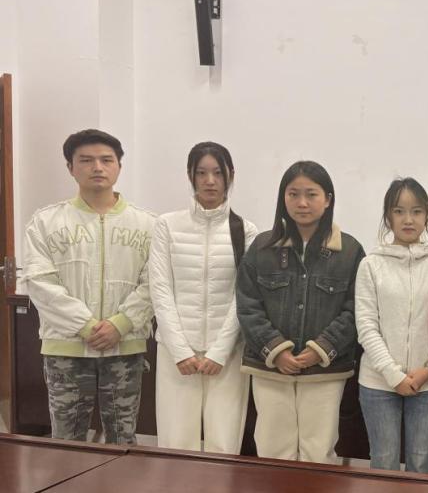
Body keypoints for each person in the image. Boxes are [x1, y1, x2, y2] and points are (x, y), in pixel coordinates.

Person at [22, 129, 156, 444]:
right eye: (86, 160)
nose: (97, 167)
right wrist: (84, 325)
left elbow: (155, 282)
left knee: (122, 440)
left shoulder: (148, 224)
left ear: (119, 166)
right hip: (66, 348)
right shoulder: (46, 222)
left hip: (124, 346)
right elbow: (40, 282)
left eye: (106, 160)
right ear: (70, 167)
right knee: (67, 441)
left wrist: (120, 323)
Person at [235, 160, 364, 463]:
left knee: (318, 452)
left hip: (325, 370)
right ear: (283, 198)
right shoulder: (262, 247)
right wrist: (276, 350)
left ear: (328, 199)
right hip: (270, 367)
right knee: (272, 448)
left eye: (311, 194)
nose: (302, 203)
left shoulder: (350, 251)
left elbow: (356, 308)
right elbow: (248, 304)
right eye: (293, 194)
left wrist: (320, 349)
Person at [149, 142, 258, 453]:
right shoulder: (167, 225)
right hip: (176, 353)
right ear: (190, 176)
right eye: (201, 173)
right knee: (175, 443)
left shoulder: (245, 230)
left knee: (223, 443)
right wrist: (180, 351)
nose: (210, 181)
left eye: (218, 173)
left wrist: (220, 352)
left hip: (227, 354)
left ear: (230, 175)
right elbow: (160, 289)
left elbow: (245, 295)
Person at [355, 177, 428, 473]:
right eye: (399, 211)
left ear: (427, 216)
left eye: (416, 211)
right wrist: (393, 375)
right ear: (388, 216)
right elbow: (366, 326)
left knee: (421, 462)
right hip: (378, 381)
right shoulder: (371, 265)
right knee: (384, 462)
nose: (408, 219)